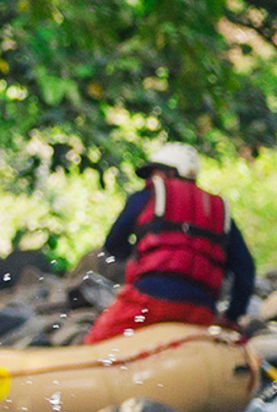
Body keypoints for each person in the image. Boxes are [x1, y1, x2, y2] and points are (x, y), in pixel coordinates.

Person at [84, 143, 254, 343]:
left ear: (171, 172)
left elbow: (113, 244)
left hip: (147, 300)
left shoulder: (147, 196)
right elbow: (246, 270)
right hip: (200, 310)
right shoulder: (219, 211)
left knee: (95, 344)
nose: (150, 179)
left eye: (153, 172)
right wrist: (231, 316)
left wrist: (139, 256)